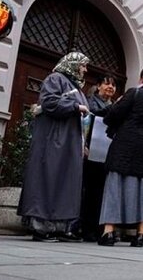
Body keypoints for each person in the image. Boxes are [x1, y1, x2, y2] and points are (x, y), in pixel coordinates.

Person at [17, 52, 90, 242]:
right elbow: (48, 102)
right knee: (48, 178)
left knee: (65, 181)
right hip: (53, 139)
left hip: (69, 142)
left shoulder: (76, 87)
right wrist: (75, 106)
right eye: (82, 65)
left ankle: (60, 227)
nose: (85, 69)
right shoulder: (55, 78)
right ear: (72, 64)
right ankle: (41, 228)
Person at [99, 66, 143, 247]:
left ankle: (109, 232)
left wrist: (117, 104)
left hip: (126, 148)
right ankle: (141, 233)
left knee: (116, 187)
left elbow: (113, 115)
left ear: (142, 77)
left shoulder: (134, 93)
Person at [80, 75, 117, 242]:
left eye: (113, 85)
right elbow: (92, 116)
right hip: (91, 152)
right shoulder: (90, 102)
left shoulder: (112, 105)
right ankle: (86, 228)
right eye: (107, 83)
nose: (110, 87)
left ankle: (99, 228)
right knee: (90, 192)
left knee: (103, 193)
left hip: (107, 154)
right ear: (98, 86)